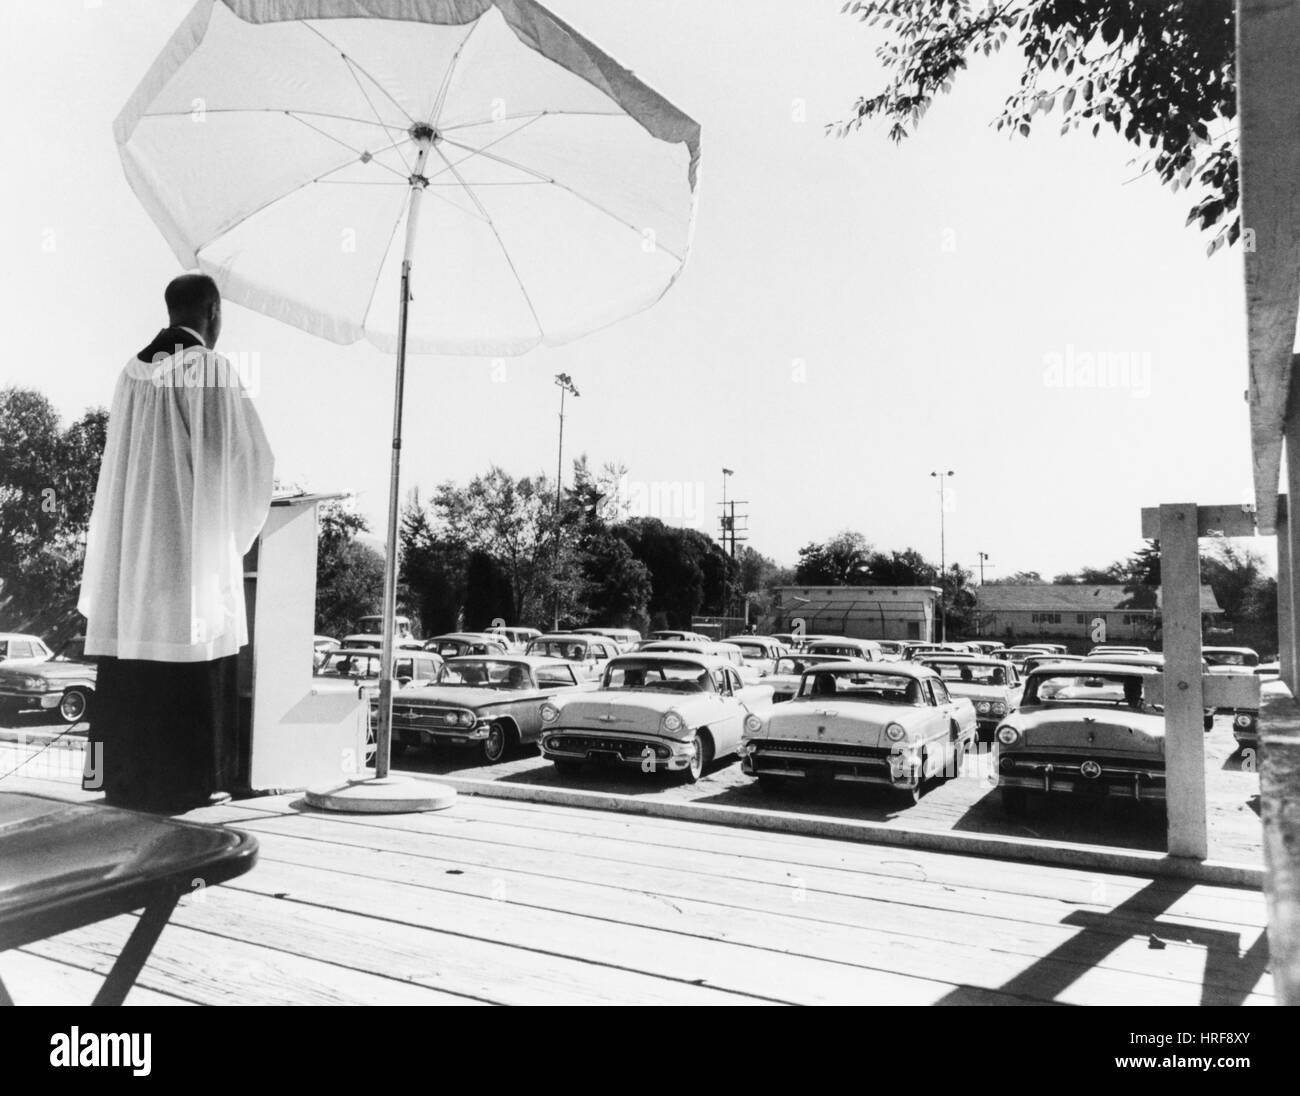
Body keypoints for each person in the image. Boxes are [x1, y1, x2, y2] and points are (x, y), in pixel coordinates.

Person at [79, 273, 274, 812]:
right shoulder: (207, 369)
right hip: (185, 556)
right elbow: (242, 462)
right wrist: (229, 534)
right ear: (212, 312)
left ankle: (114, 778)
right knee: (190, 646)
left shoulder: (129, 373)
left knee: (131, 661)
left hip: (132, 557)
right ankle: (190, 783)